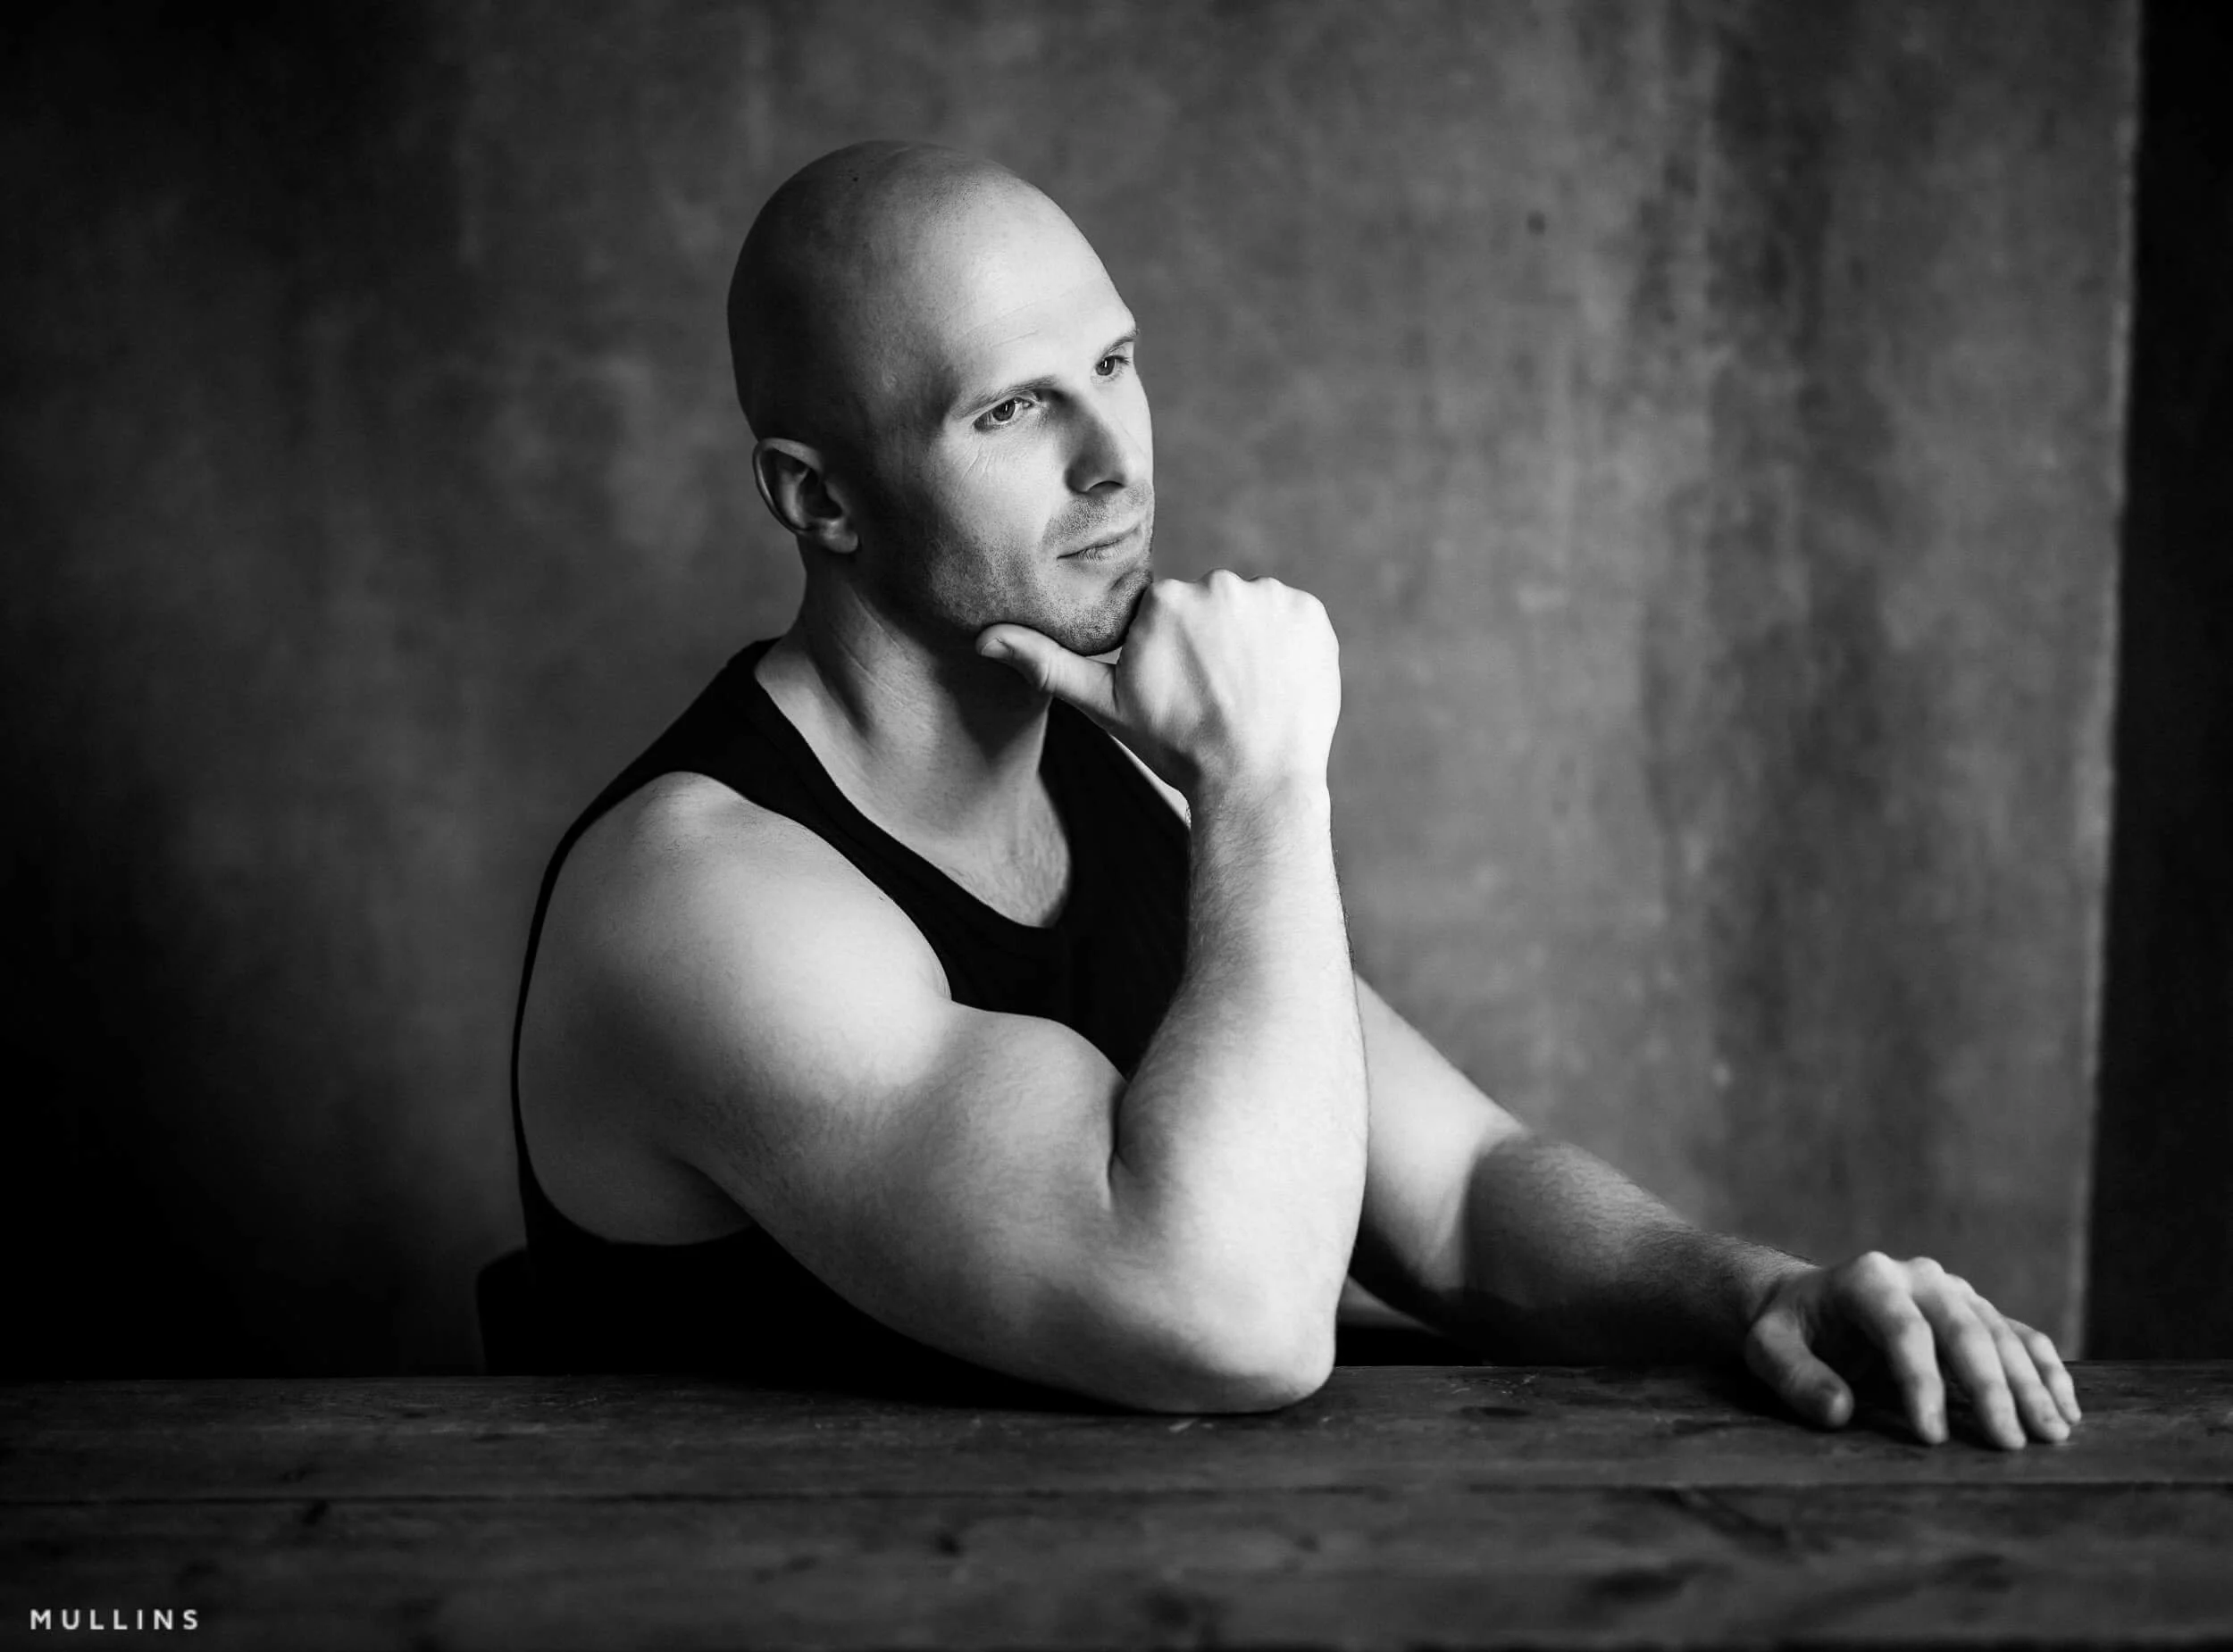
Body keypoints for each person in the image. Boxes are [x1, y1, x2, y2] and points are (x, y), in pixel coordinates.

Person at [509, 141, 2080, 1446]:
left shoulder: (1109, 775)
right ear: (819, 495)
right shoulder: (701, 899)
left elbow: (1456, 1192)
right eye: (1009, 409)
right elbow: (1232, 1318)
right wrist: (1265, 782)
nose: (1113, 457)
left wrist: (1753, 1293)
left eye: (1114, 364)